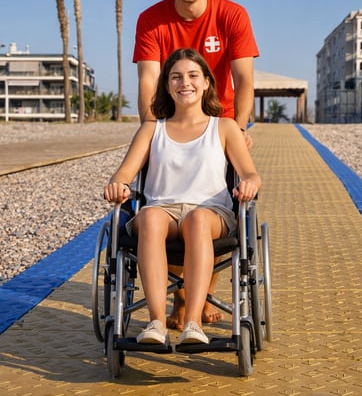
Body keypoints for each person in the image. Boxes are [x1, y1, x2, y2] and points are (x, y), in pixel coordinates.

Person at [133, 0, 259, 329]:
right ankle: (176, 305)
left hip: (218, 121)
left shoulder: (232, 15)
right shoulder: (151, 19)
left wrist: (236, 129)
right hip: (171, 120)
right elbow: (148, 81)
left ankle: (198, 302)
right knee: (167, 201)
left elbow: (244, 79)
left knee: (209, 201)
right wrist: (151, 133)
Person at [104, 48, 261, 345]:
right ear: (166, 85)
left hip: (211, 213)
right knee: (149, 217)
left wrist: (249, 185)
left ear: (205, 82)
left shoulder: (224, 127)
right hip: (162, 211)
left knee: (197, 219)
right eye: (175, 77)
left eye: (192, 76)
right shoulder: (152, 129)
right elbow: (124, 173)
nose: (184, 83)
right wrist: (118, 185)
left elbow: (251, 174)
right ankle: (157, 324)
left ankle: (193, 322)